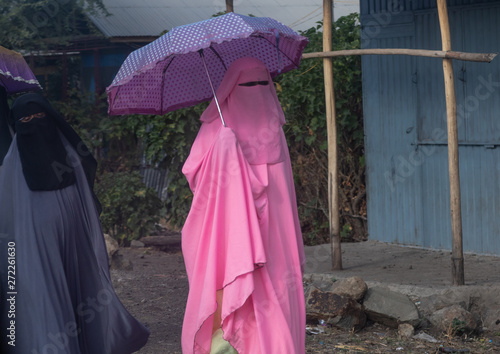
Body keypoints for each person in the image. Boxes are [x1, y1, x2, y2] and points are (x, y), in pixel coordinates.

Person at [0, 93, 150, 353]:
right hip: (34, 246)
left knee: (77, 287)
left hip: (72, 238)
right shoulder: (11, 165)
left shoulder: (69, 156)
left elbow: (84, 203)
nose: (33, 123)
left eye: (39, 117)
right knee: (43, 291)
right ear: (16, 124)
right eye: (26, 119)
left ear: (51, 118)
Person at [181, 57, 306, 353]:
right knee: (238, 298)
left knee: (277, 298)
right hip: (233, 237)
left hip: (276, 239)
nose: (258, 90)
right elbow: (196, 175)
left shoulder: (274, 127)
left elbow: (282, 190)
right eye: (248, 84)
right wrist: (224, 152)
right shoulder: (217, 126)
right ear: (230, 88)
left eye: (264, 83)